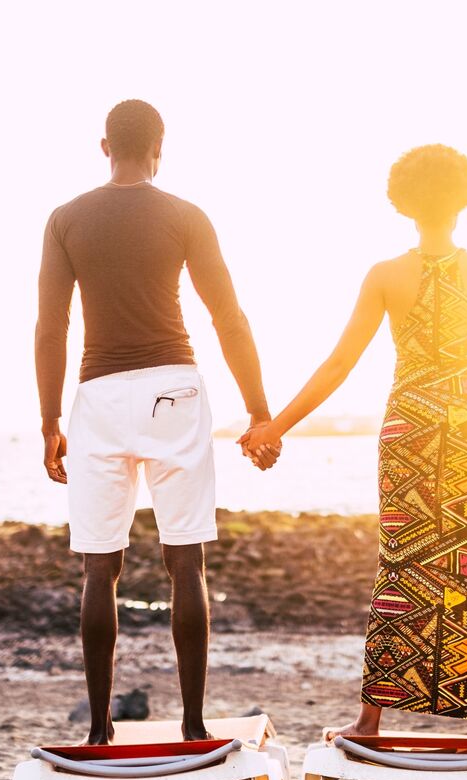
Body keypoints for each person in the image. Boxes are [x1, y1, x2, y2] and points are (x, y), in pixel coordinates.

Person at [242, 144, 467, 737]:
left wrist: (276, 426)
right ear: (464, 198)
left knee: (400, 566)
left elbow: (341, 362)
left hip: (412, 431)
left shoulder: (387, 276)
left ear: (404, 202)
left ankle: (371, 718)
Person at [35, 99, 278, 743]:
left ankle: (98, 729)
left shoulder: (65, 219)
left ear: (104, 146)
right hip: (176, 385)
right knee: (186, 562)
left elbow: (51, 326)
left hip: (101, 393)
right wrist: (258, 410)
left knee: (98, 567)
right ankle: (194, 722)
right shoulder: (185, 215)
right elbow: (230, 319)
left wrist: (48, 421)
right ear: (160, 148)